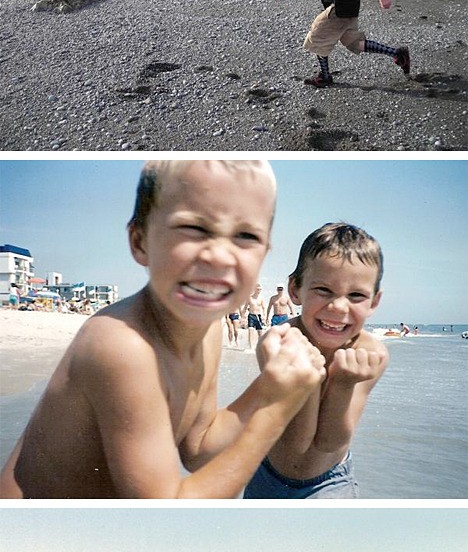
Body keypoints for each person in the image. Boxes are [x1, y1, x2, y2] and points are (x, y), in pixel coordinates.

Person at [0, 160, 324, 500]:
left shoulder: (209, 329)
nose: (219, 256)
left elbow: (199, 447)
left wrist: (272, 389)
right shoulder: (122, 346)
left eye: (246, 236)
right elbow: (171, 506)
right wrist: (277, 411)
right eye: (193, 229)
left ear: (264, 253)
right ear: (140, 242)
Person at [244, 222, 389, 498]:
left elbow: (329, 443)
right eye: (323, 290)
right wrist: (309, 378)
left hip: (331, 481)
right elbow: (296, 443)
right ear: (295, 289)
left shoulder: (372, 355)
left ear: (373, 302)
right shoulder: (276, 342)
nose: (338, 306)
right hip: (266, 473)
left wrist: (343, 385)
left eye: (356, 295)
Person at [242, 282, 267, 350]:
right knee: (251, 330)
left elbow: (264, 307)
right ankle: (251, 347)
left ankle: (259, 346)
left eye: (260, 289)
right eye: (258, 289)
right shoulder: (250, 298)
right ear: (255, 289)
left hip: (258, 316)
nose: (259, 291)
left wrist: (264, 316)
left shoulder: (261, 298)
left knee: (260, 332)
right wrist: (242, 316)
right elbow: (245, 307)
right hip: (251, 315)